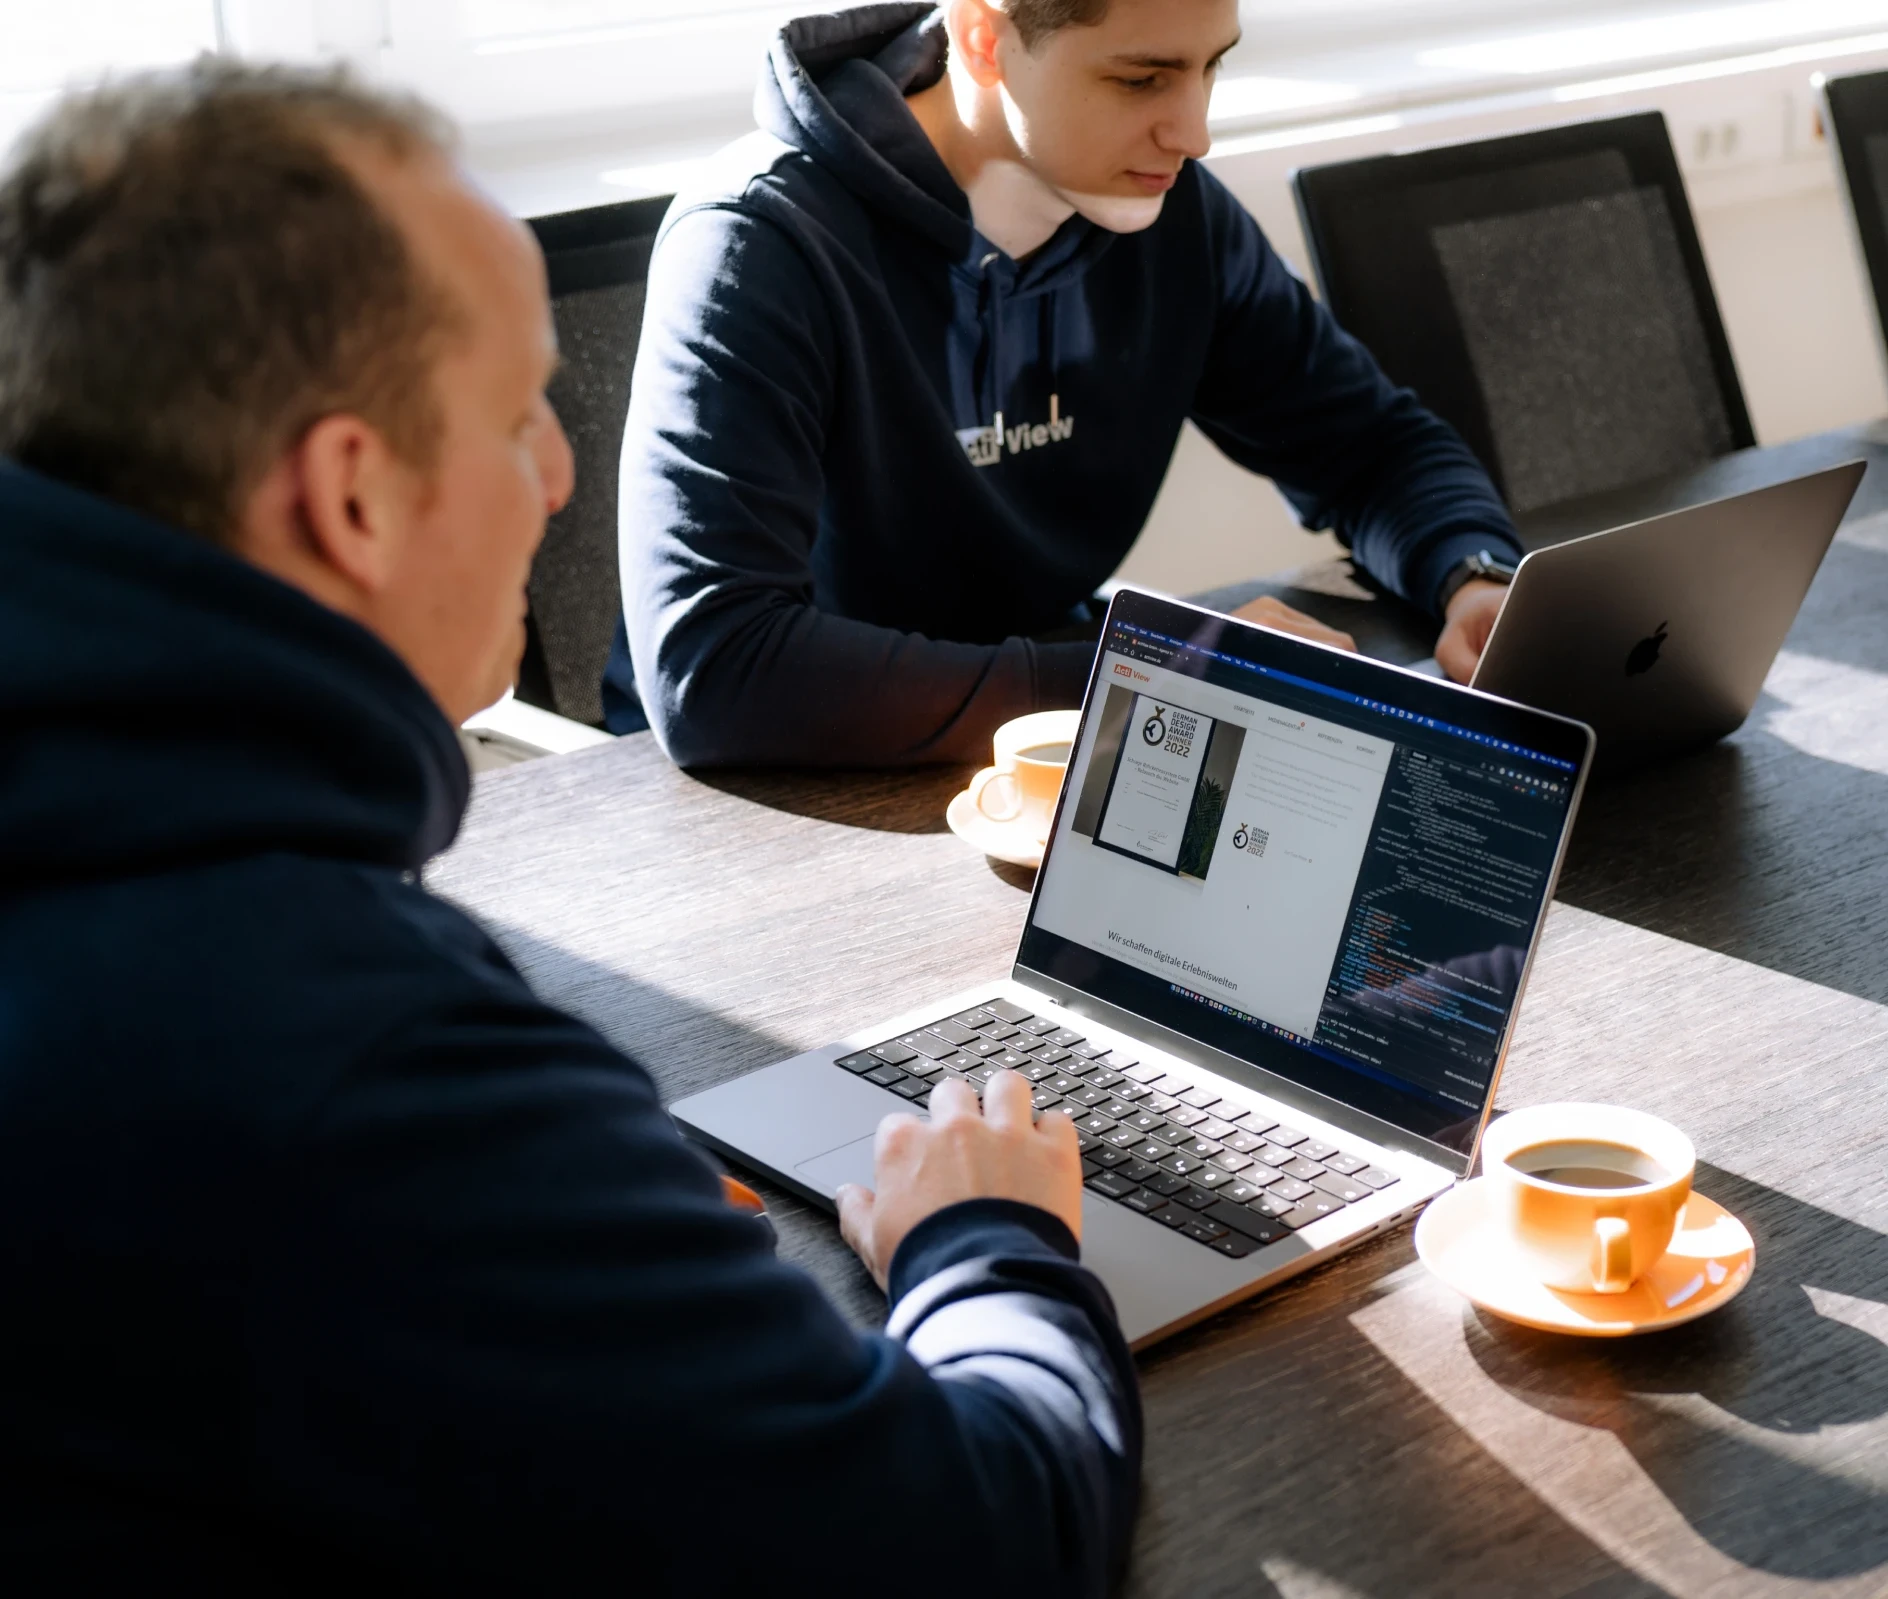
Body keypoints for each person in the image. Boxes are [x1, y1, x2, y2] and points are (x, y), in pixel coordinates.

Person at [0, 61, 1138, 1591]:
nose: (556, 480)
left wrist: (572, 1221)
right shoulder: (338, 1055)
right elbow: (974, 1533)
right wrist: (986, 1237)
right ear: (353, 494)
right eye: (520, 411)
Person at [607, 0, 1523, 764]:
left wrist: (1471, 573)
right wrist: (1154, 672)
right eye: (1141, 79)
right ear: (983, 38)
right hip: (773, 789)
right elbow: (716, 669)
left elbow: (1370, 448)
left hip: (1039, 738)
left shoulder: (1172, 216)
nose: (1194, 132)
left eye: (1212, 67)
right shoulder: (755, 241)